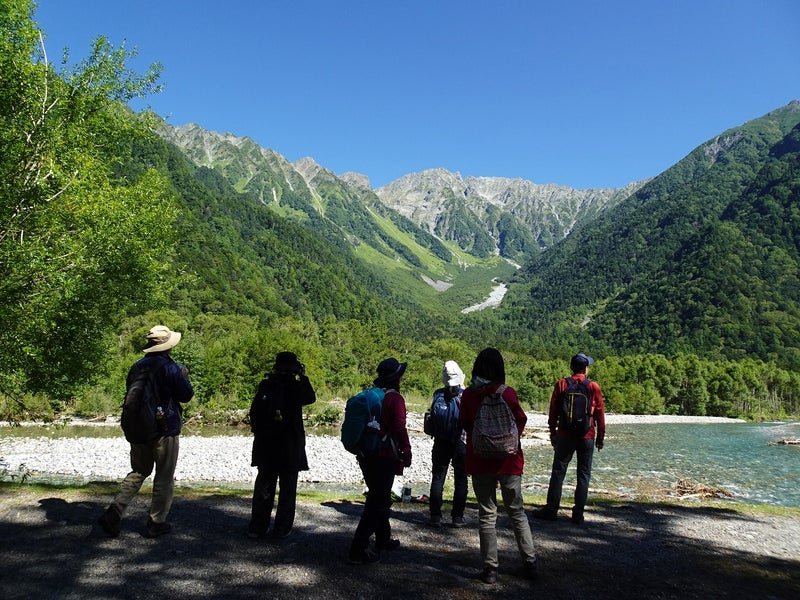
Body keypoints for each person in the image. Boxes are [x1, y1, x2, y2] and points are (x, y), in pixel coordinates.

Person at [98, 325, 194, 538]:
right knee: (163, 477)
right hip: (164, 430)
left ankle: (114, 513)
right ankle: (155, 523)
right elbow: (186, 395)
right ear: (169, 346)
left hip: (138, 428)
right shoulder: (171, 368)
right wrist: (185, 376)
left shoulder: (137, 366)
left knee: (139, 471)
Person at [460, 348, 537, 584]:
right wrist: (507, 442)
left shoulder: (469, 395)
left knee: (486, 514)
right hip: (509, 461)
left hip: (479, 460)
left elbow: (464, 423)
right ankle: (530, 562)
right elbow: (520, 420)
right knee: (516, 512)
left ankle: (491, 568)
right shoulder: (507, 393)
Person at [349, 357, 412, 564]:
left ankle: (383, 539)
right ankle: (358, 549)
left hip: (366, 454)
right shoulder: (395, 399)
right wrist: (407, 450)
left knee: (380, 497)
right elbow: (399, 428)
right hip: (384, 456)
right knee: (376, 502)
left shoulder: (373, 395)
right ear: (397, 378)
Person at [248, 351, 316, 540]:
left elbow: (255, 411)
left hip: (267, 443)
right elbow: (311, 397)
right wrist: (302, 376)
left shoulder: (266, 384)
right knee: (288, 489)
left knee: (264, 485)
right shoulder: (295, 387)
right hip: (289, 444)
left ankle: (258, 526)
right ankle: (282, 528)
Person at [532, 352, 606, 525]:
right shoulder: (593, 387)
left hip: (565, 435)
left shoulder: (562, 384)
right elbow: (600, 414)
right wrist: (600, 437)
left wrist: (552, 432)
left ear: (572, 367)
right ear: (585, 368)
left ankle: (551, 510)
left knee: (558, 472)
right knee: (583, 474)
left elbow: (553, 411)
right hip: (586, 436)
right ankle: (578, 514)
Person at [427, 360, 468, 528]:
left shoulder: (437, 394)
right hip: (460, 441)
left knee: (437, 478)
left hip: (440, 441)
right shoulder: (466, 395)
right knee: (461, 479)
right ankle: (457, 518)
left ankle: (435, 516)